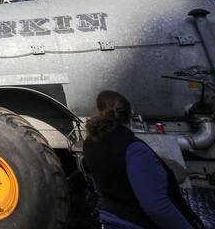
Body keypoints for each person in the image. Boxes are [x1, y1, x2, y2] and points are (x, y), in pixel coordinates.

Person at [83, 91, 204, 229]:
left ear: (99, 112)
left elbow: (101, 188)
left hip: (112, 219)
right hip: (137, 222)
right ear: (130, 114)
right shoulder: (134, 149)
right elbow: (157, 208)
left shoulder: (90, 143)